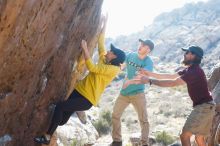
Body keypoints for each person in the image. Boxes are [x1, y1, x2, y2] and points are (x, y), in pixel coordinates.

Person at [34, 17, 126, 145]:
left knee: (60, 106)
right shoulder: (105, 59)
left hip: (87, 99)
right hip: (78, 91)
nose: (108, 51)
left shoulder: (113, 69)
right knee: (62, 120)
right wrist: (105, 24)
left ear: (115, 57)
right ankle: (63, 120)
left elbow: (92, 68)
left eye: (111, 51)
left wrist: (85, 49)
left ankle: (47, 136)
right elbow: (101, 42)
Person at [123, 45, 215, 146]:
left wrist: (149, 81)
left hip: (203, 108)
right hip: (207, 107)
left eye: (187, 52)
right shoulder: (191, 69)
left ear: (193, 55)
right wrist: (148, 73)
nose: (184, 54)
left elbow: (172, 83)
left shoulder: (194, 71)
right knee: (199, 137)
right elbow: (170, 76)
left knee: (184, 136)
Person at [111, 39, 154, 146]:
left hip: (138, 94)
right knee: (115, 115)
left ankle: (144, 143)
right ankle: (117, 140)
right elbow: (122, 66)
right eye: (140, 44)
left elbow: (142, 77)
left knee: (143, 120)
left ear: (148, 49)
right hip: (124, 93)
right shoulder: (130, 55)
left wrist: (130, 82)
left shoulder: (148, 62)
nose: (140, 46)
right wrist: (115, 67)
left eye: (143, 45)